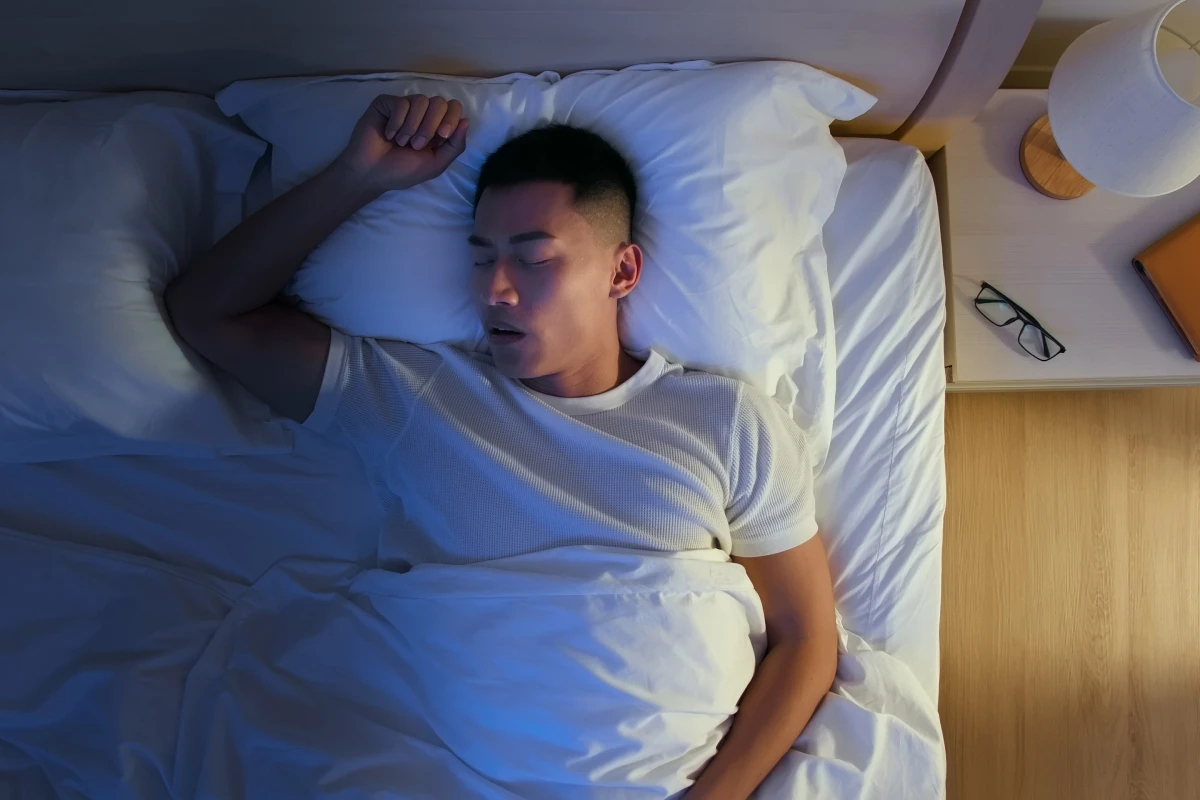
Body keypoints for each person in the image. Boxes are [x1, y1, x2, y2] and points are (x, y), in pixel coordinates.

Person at [165, 94, 837, 799]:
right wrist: (356, 178)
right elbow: (207, 315)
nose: (496, 291)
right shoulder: (420, 402)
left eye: (534, 260)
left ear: (621, 272)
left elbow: (806, 638)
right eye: (481, 258)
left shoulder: (724, 421)